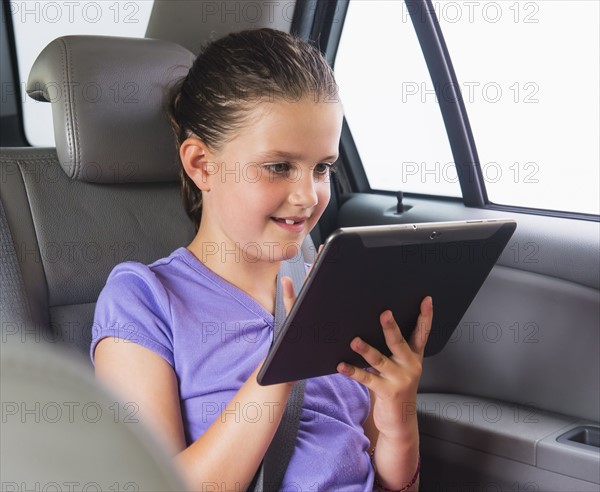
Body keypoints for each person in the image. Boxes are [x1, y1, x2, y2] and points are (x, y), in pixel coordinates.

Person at [91, 28, 432, 491]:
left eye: (322, 168)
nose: (309, 195)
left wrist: (398, 423)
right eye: (278, 167)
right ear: (201, 165)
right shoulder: (143, 301)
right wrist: (283, 363)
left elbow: (391, 482)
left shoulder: (336, 288)